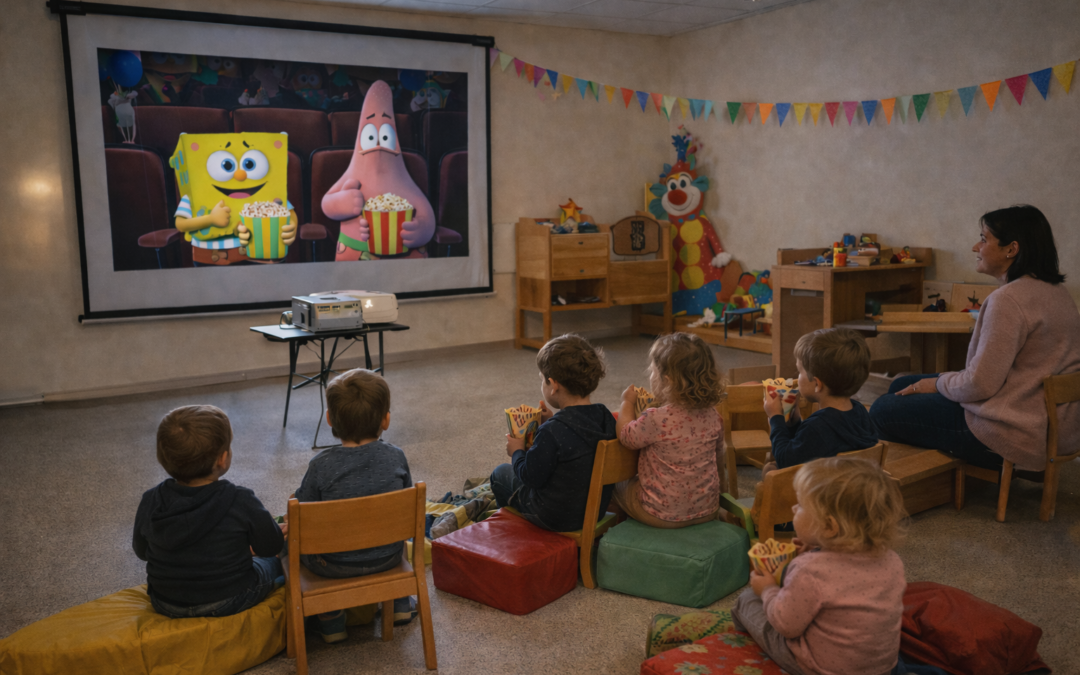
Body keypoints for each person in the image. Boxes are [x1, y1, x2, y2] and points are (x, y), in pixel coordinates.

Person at [870, 205, 1080, 471]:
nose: (974, 247)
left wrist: (937, 385)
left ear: (1011, 249)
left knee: (882, 408)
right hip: (1051, 425)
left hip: (1012, 430)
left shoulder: (1008, 300)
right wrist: (936, 384)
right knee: (903, 384)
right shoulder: (1058, 292)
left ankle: (933, 481)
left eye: (983, 239)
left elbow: (980, 384)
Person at [732, 457, 907, 675]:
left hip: (819, 667)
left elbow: (786, 625)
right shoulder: (892, 560)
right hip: (882, 668)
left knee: (747, 600)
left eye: (802, 505)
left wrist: (767, 589)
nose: (795, 508)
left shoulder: (810, 569)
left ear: (829, 526)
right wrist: (816, 548)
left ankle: (739, 650)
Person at [291, 368, 415, 643]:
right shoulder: (396, 457)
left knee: (288, 544)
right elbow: (405, 507)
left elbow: (303, 516)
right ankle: (400, 604)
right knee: (393, 529)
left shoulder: (320, 465)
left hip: (331, 564)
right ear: (386, 420)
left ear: (329, 419)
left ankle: (332, 619)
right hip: (388, 558)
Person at [133, 405, 284, 618]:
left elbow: (141, 552)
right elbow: (270, 546)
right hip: (230, 598)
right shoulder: (241, 499)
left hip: (165, 601)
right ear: (222, 459)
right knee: (277, 560)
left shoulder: (151, 499)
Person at [490, 333, 617, 532]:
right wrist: (551, 421)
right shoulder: (605, 416)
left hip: (552, 517)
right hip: (594, 512)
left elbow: (530, 477)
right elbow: (575, 443)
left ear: (554, 385)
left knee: (500, 473)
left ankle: (510, 531)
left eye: (543, 380)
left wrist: (517, 451)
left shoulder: (552, 432)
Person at [613, 332, 725, 528]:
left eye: (653, 371)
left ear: (668, 381)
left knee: (615, 484)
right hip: (708, 510)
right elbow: (719, 458)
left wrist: (627, 403)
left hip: (661, 514)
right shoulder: (714, 415)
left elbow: (626, 436)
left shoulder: (656, 418)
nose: (650, 375)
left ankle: (616, 534)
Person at [764, 328, 877, 473]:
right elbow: (808, 446)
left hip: (823, 488)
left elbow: (785, 460)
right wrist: (794, 422)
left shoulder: (818, 426)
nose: (797, 377)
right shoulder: (860, 411)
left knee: (770, 470)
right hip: (849, 482)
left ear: (817, 384)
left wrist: (776, 418)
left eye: (800, 371)